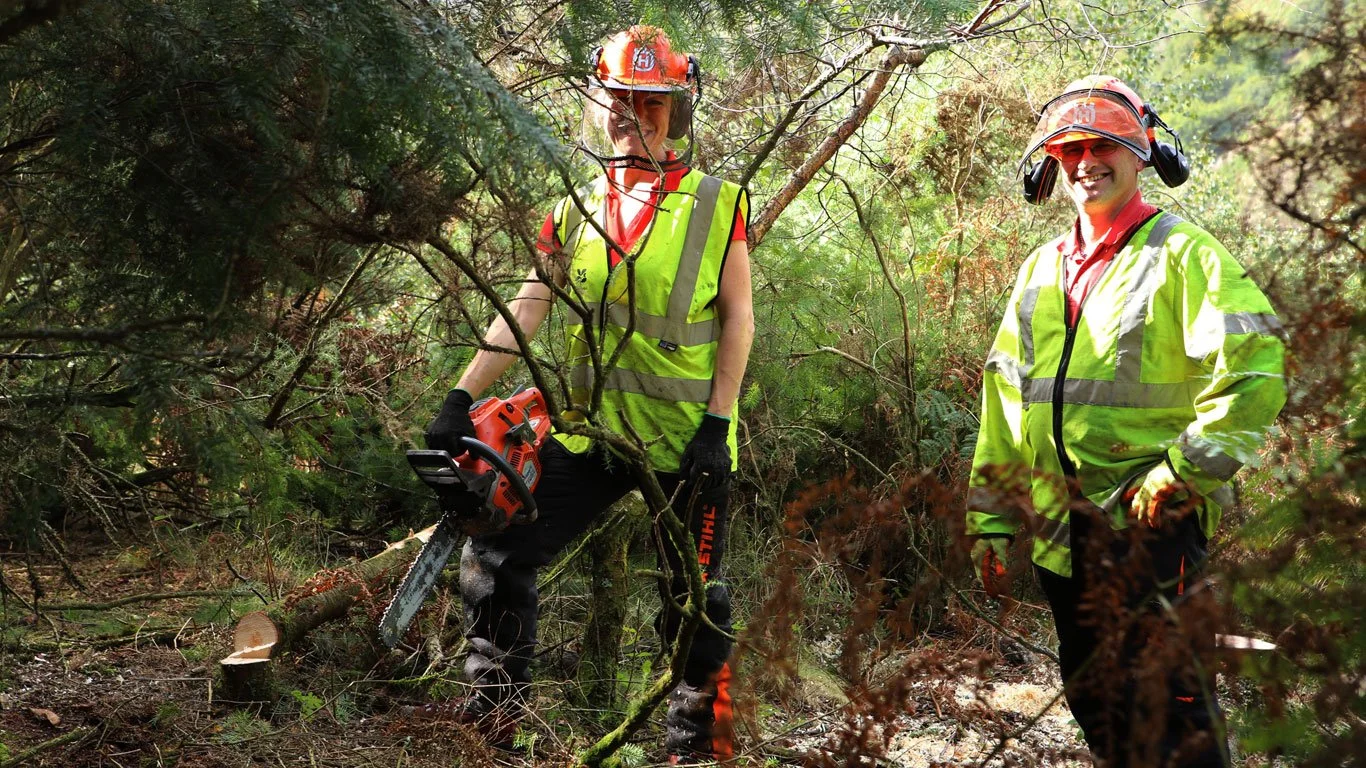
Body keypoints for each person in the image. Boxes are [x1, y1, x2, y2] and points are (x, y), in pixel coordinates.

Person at [421, 25, 753, 765]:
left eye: (651, 102)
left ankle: (698, 751)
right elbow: (530, 303)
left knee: (698, 600)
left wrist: (718, 423)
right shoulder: (574, 206)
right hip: (590, 433)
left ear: (676, 110)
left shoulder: (716, 203)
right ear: (597, 104)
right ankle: (493, 719)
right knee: (502, 547)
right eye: (619, 99)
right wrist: (460, 394)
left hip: (683, 442)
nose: (632, 115)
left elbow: (738, 319)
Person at [965, 75, 1286, 767]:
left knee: (1173, 713)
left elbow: (1257, 368)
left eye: (1104, 144)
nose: (1086, 162)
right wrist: (991, 519)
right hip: (1062, 533)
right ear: (1049, 162)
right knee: (1098, 701)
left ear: (1142, 153)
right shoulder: (1040, 270)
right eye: (1070, 147)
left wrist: (1186, 469)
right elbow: (1002, 403)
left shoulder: (1184, 254)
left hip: (1150, 532)